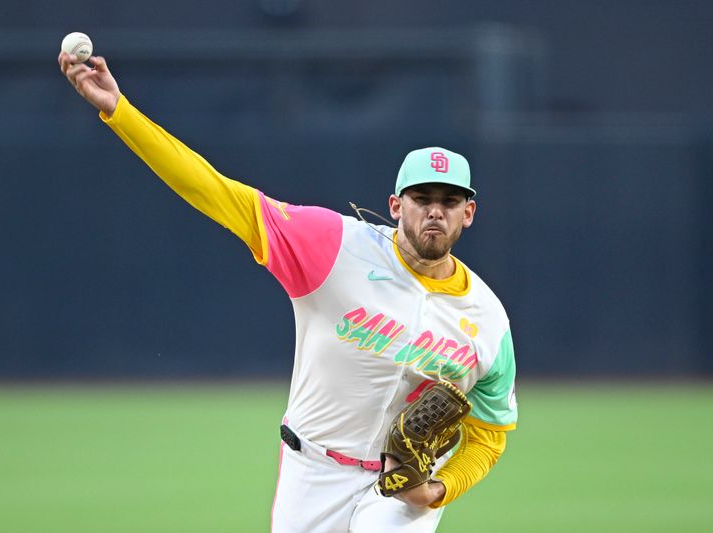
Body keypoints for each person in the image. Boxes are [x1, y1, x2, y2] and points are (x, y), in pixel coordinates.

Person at [58, 51, 517, 532]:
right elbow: (214, 191)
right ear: (396, 204)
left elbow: (489, 434)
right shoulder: (333, 246)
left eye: (450, 201)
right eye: (422, 199)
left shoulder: (488, 319)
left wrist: (439, 489)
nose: (434, 212)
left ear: (469, 213)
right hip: (313, 470)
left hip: (403, 487)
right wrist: (119, 111)